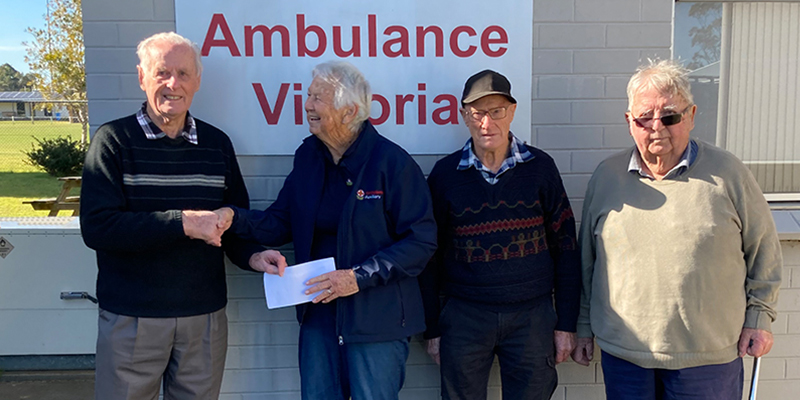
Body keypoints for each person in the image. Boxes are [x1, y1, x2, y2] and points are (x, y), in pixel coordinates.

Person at [213, 61, 437, 400]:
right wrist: (234, 218)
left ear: (349, 111)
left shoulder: (392, 164)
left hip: (377, 320)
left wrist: (356, 277)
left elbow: (420, 242)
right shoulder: (308, 157)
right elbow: (280, 221)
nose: (308, 105)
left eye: (318, 98)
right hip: (318, 314)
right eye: (309, 95)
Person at [572, 59, 782, 400]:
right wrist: (583, 326)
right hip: (626, 356)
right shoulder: (606, 177)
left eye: (670, 116)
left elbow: (764, 251)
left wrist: (760, 317)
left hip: (707, 358)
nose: (657, 127)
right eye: (644, 117)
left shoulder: (728, 173)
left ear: (691, 115)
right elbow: (587, 262)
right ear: (629, 121)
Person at [80, 32, 272, 400]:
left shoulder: (217, 145)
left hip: (204, 317)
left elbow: (234, 222)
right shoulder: (113, 141)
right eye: (162, 73)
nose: (173, 84)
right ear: (141, 77)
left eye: (184, 74)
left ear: (197, 81)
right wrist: (182, 223)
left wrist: (254, 256)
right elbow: (98, 227)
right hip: (133, 318)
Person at [419, 69, 581, 400]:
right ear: (464, 116)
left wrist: (566, 323)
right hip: (464, 318)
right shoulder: (445, 177)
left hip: (532, 318)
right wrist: (432, 329)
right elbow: (428, 257)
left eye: (497, 112)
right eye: (478, 113)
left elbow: (566, 248)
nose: (486, 123)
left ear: (512, 112)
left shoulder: (541, 169)